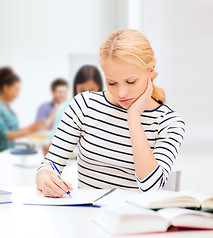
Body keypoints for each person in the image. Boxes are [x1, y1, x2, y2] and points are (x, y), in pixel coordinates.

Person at [36, 29, 185, 197]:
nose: (122, 93)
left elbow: (151, 186)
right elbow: (49, 165)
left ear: (150, 71)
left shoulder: (169, 123)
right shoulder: (84, 105)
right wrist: (46, 181)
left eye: (131, 81)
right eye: (112, 82)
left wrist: (134, 118)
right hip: (86, 217)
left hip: (136, 219)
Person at [42, 65, 103, 156]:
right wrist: (48, 145)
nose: (86, 95)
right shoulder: (66, 107)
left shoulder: (104, 110)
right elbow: (52, 137)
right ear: (75, 88)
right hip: (68, 164)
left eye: (92, 91)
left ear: (99, 89)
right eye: (81, 90)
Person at [0, 67, 43, 152]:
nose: (17, 95)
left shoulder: (8, 109)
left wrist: (31, 127)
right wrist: (29, 131)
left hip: (7, 154)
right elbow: (5, 134)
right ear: (5, 88)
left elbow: (13, 130)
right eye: (16, 90)